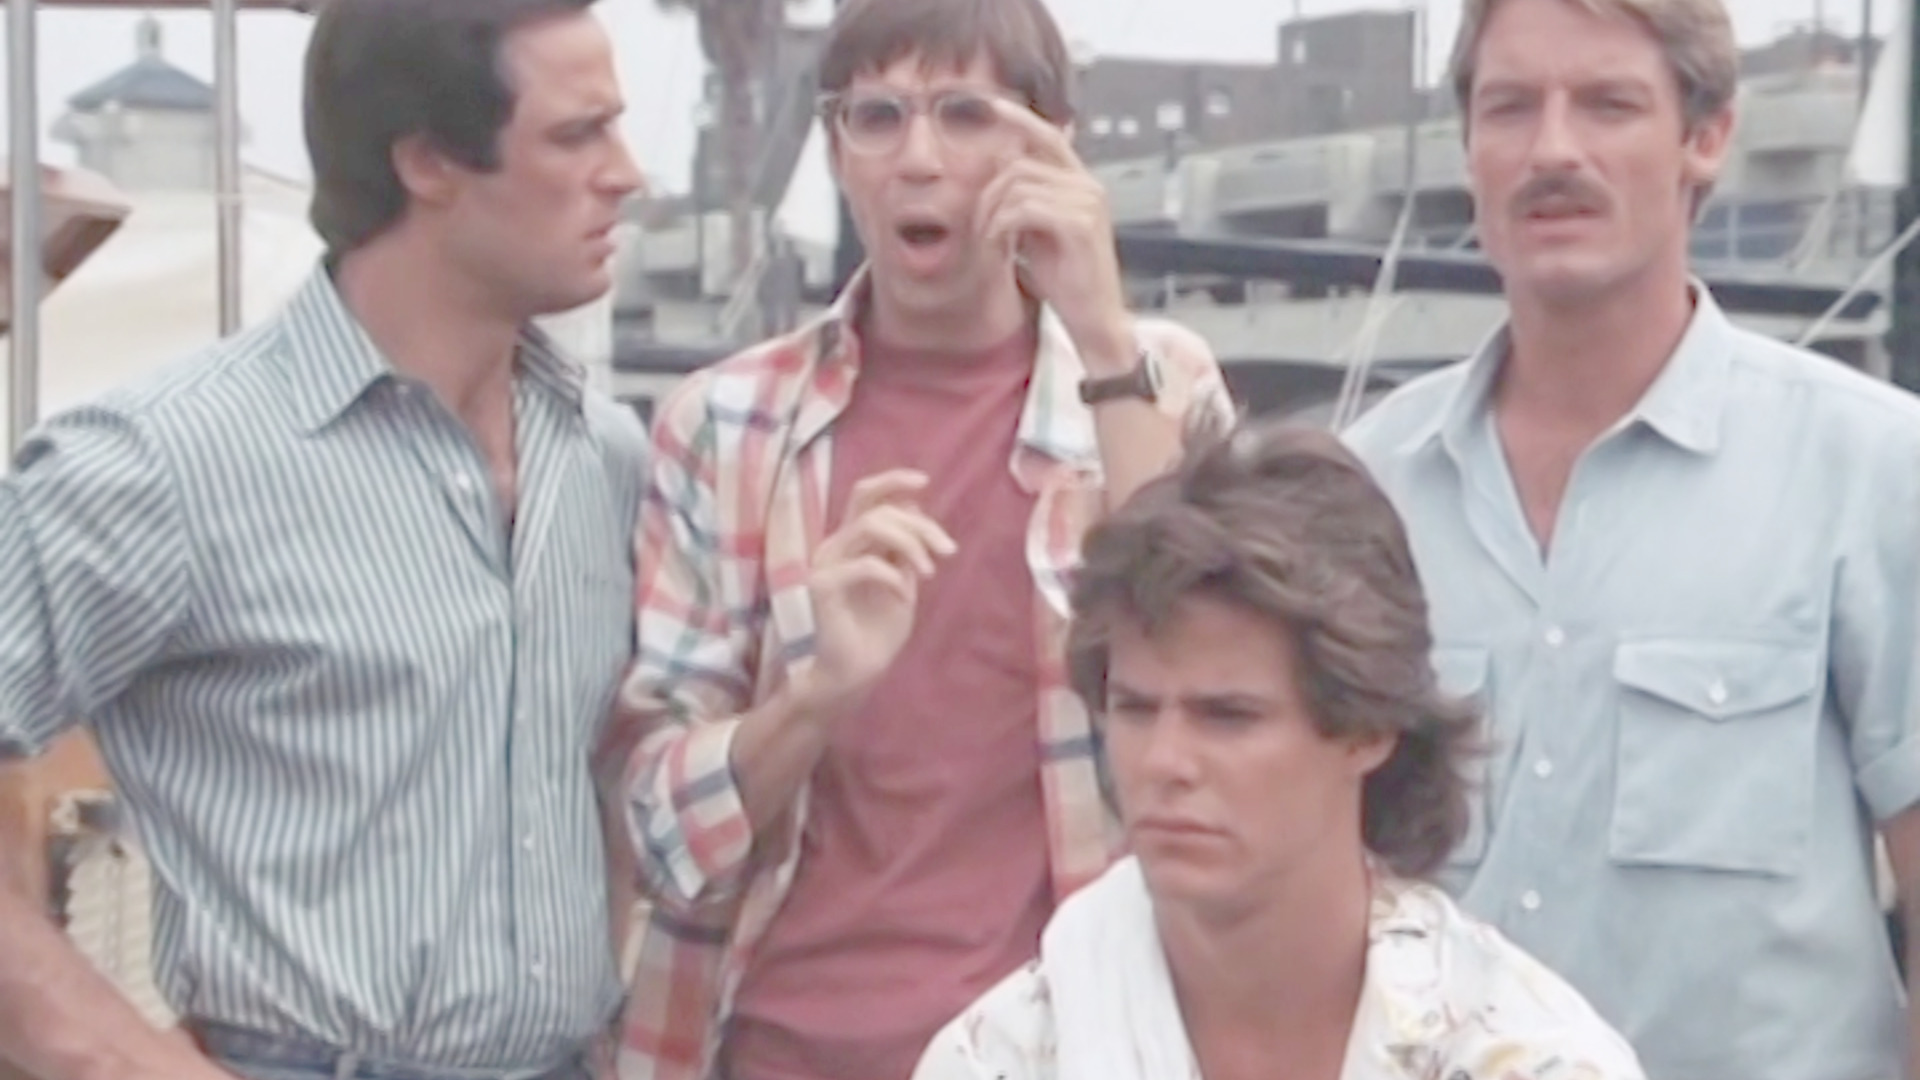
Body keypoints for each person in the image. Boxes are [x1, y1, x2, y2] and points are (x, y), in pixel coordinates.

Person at [0, 2, 647, 1078]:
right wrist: (112, 1058)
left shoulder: (605, 457)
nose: (627, 174)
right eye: (579, 134)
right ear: (428, 162)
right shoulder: (168, 462)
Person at [599, 0, 1230, 1076]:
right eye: (878, 117)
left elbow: (1212, 690)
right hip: (776, 1044)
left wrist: (1102, 335)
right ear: (837, 151)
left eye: (966, 114)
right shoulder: (725, 423)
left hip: (1052, 1048)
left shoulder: (1157, 380)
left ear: (1051, 147)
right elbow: (657, 829)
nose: (919, 159)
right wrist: (814, 697)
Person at [1344, 0, 1920, 1077]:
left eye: (1608, 105)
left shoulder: (1874, 472)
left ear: (1707, 136)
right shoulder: (1366, 489)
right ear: (1468, 148)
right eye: (1510, 107)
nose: (1553, 150)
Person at [913, 421, 1643, 1080]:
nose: (1165, 761)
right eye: (1134, 709)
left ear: (1366, 728)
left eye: (1228, 717)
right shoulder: (1003, 1056)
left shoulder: (1526, 1057)